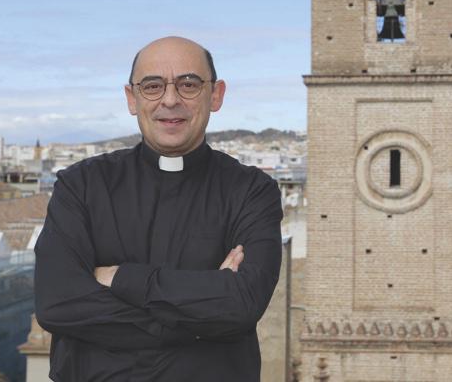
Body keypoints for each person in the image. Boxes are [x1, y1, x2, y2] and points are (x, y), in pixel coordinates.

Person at [34, 36, 283, 381]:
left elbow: (242, 305)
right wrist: (202, 319)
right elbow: (58, 304)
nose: (170, 99)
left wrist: (120, 278)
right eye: (152, 86)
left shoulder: (252, 190)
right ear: (131, 98)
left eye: (189, 84)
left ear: (216, 95)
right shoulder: (81, 185)